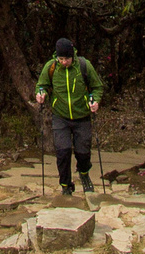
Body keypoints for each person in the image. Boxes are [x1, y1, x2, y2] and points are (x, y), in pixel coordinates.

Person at [33, 38, 105, 195]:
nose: (64, 62)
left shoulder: (84, 65)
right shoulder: (51, 67)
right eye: (61, 59)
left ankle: (84, 174)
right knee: (63, 151)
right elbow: (42, 85)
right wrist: (41, 94)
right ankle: (66, 185)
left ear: (72, 56)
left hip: (82, 115)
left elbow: (97, 87)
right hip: (60, 116)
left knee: (83, 151)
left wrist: (95, 101)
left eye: (66, 59)